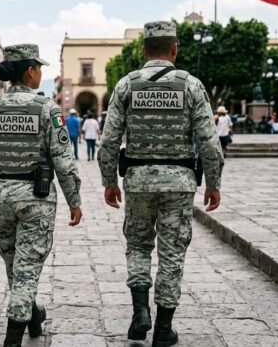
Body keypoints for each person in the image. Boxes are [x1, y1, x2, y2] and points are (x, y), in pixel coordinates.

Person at [97, 22, 224, 345]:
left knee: (138, 246)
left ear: (143, 50)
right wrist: (213, 182)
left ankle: (140, 312)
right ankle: (164, 328)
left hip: (137, 182)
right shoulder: (191, 86)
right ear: (174, 49)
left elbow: (109, 141)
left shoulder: (126, 85)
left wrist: (109, 181)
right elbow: (209, 142)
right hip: (179, 183)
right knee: (172, 253)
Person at [0, 43, 83, 347]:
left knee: (16, 266)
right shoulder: (47, 108)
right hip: (35, 198)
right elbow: (63, 160)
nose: (41, 73)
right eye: (40, 68)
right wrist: (75, 200)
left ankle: (32, 316)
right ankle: (12, 339)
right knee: (27, 268)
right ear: (30, 70)